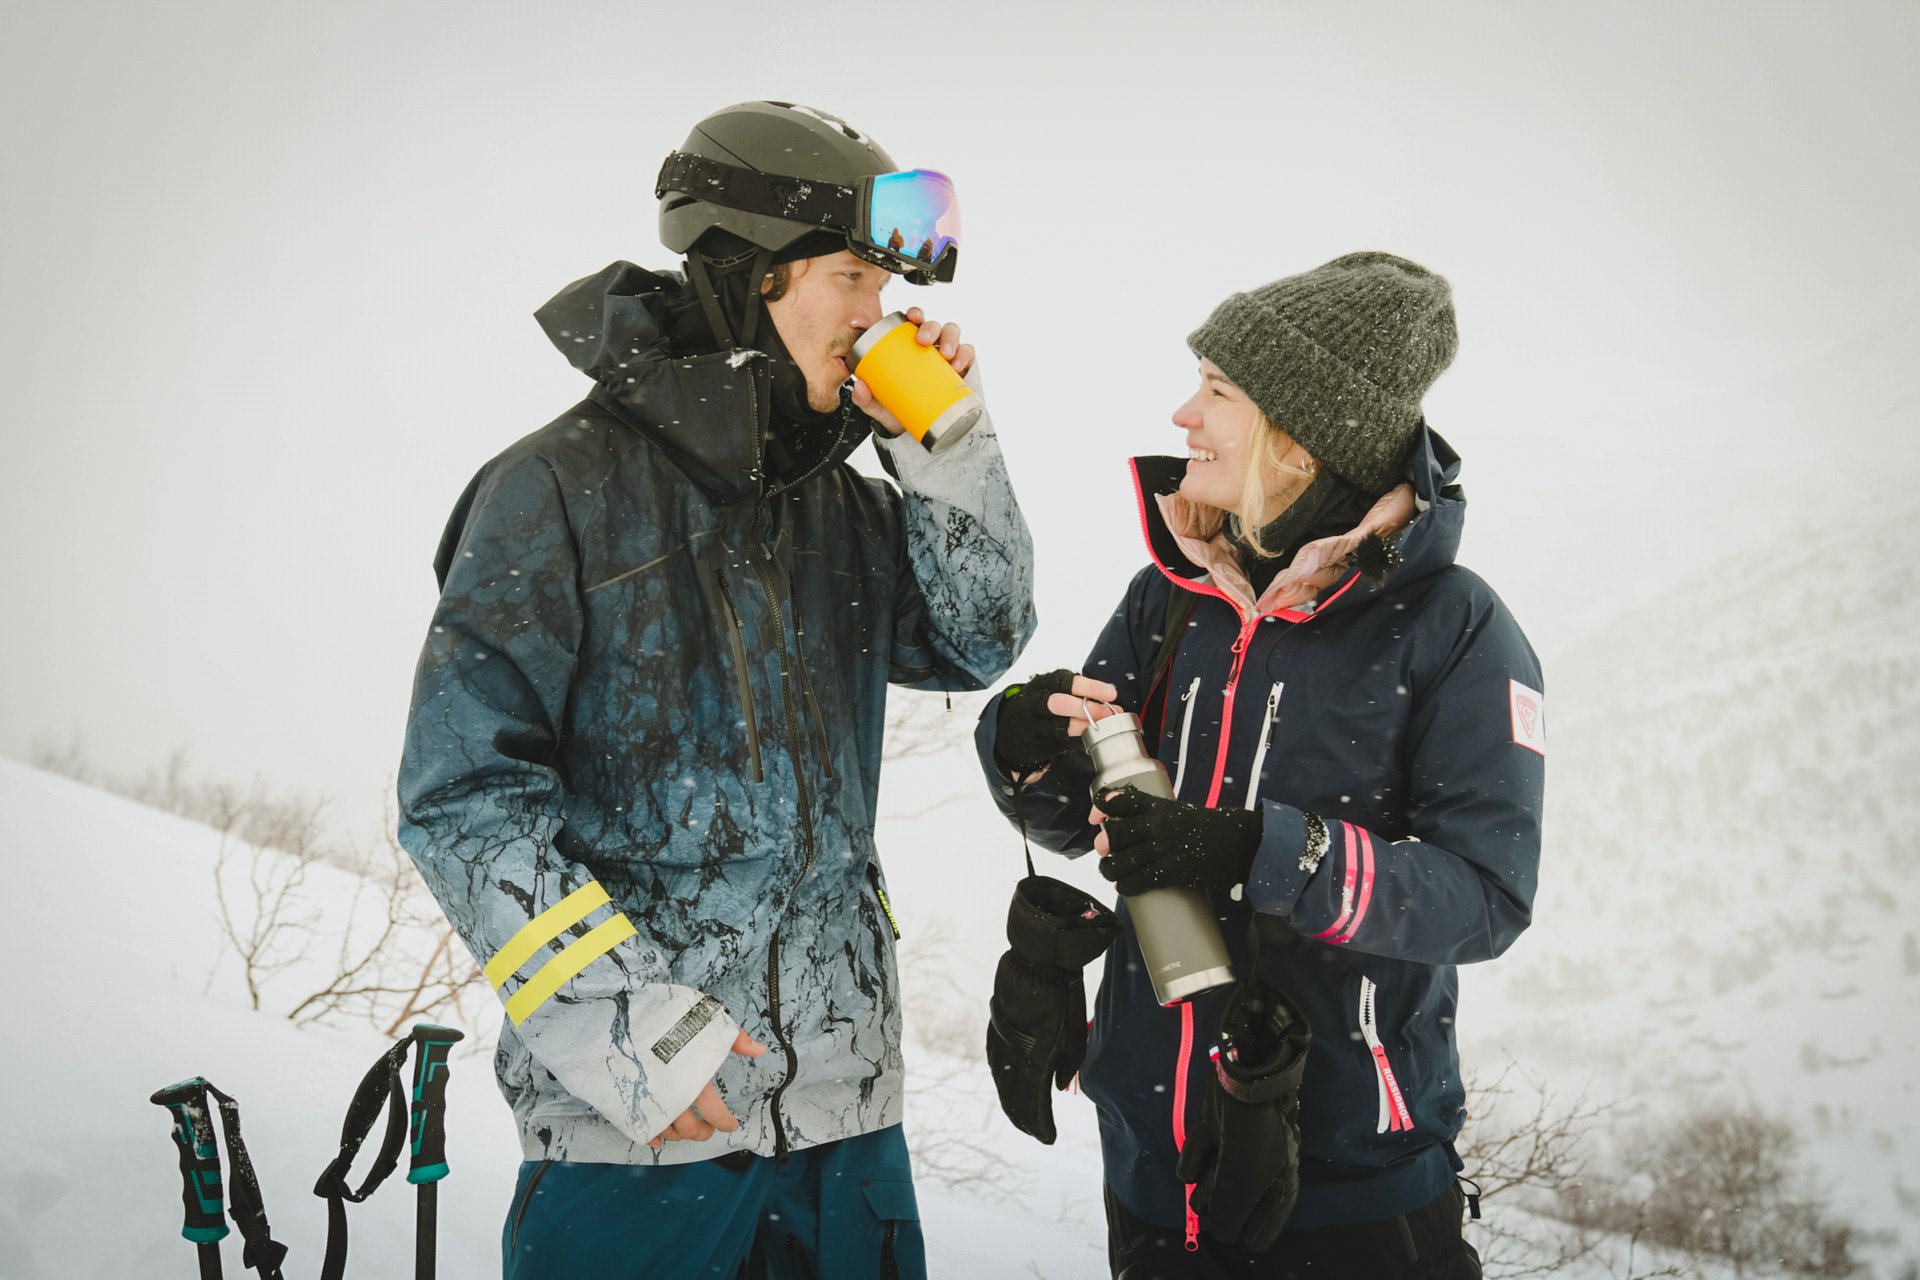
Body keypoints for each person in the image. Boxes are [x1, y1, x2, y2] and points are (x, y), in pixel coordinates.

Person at [396, 100, 1035, 1279]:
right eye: (849, 274)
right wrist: (628, 1027)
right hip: (640, 1132)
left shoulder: (841, 501)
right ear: (749, 278)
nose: (877, 309)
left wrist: (946, 445)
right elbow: (462, 796)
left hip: (847, 1123)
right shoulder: (554, 491)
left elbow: (976, 637)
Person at [975, 252, 1542, 1279]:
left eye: (1219, 391)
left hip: (1349, 1195)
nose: (1184, 414)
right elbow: (1088, 818)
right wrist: (1024, 748)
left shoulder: (1455, 629)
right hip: (1153, 1167)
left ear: (1301, 437)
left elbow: (1484, 895)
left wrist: (1256, 848)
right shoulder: (1173, 596)